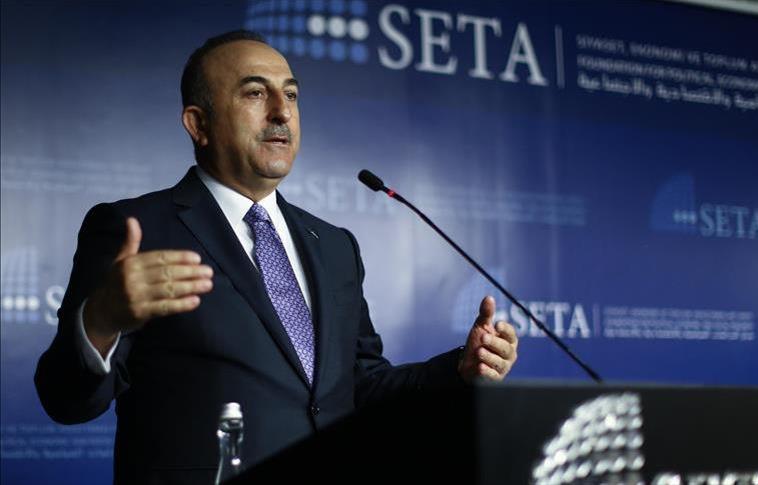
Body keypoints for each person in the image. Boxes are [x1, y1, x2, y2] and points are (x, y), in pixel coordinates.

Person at [34, 30, 518, 484]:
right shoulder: (134, 229)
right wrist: (100, 321)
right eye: (254, 93)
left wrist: (459, 368)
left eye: (291, 94)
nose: (282, 112)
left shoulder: (334, 245)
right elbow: (66, 400)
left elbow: (362, 385)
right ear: (198, 124)